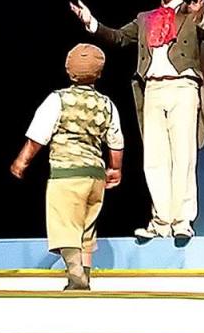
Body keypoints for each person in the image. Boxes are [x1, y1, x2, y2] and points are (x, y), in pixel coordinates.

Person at [69, 0, 204, 241]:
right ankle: (161, 221)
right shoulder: (145, 18)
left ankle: (182, 220)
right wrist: (91, 22)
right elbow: (118, 38)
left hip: (183, 86)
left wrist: (200, 18)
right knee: (155, 158)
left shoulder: (193, 11)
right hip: (151, 89)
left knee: (183, 155)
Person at [11, 44, 124, 290]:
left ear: (68, 71)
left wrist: (22, 161)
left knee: (65, 224)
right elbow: (116, 141)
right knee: (86, 228)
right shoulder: (107, 104)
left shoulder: (58, 99)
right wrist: (115, 169)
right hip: (95, 176)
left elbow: (38, 137)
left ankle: (75, 275)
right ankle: (84, 277)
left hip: (66, 174)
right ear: (99, 73)